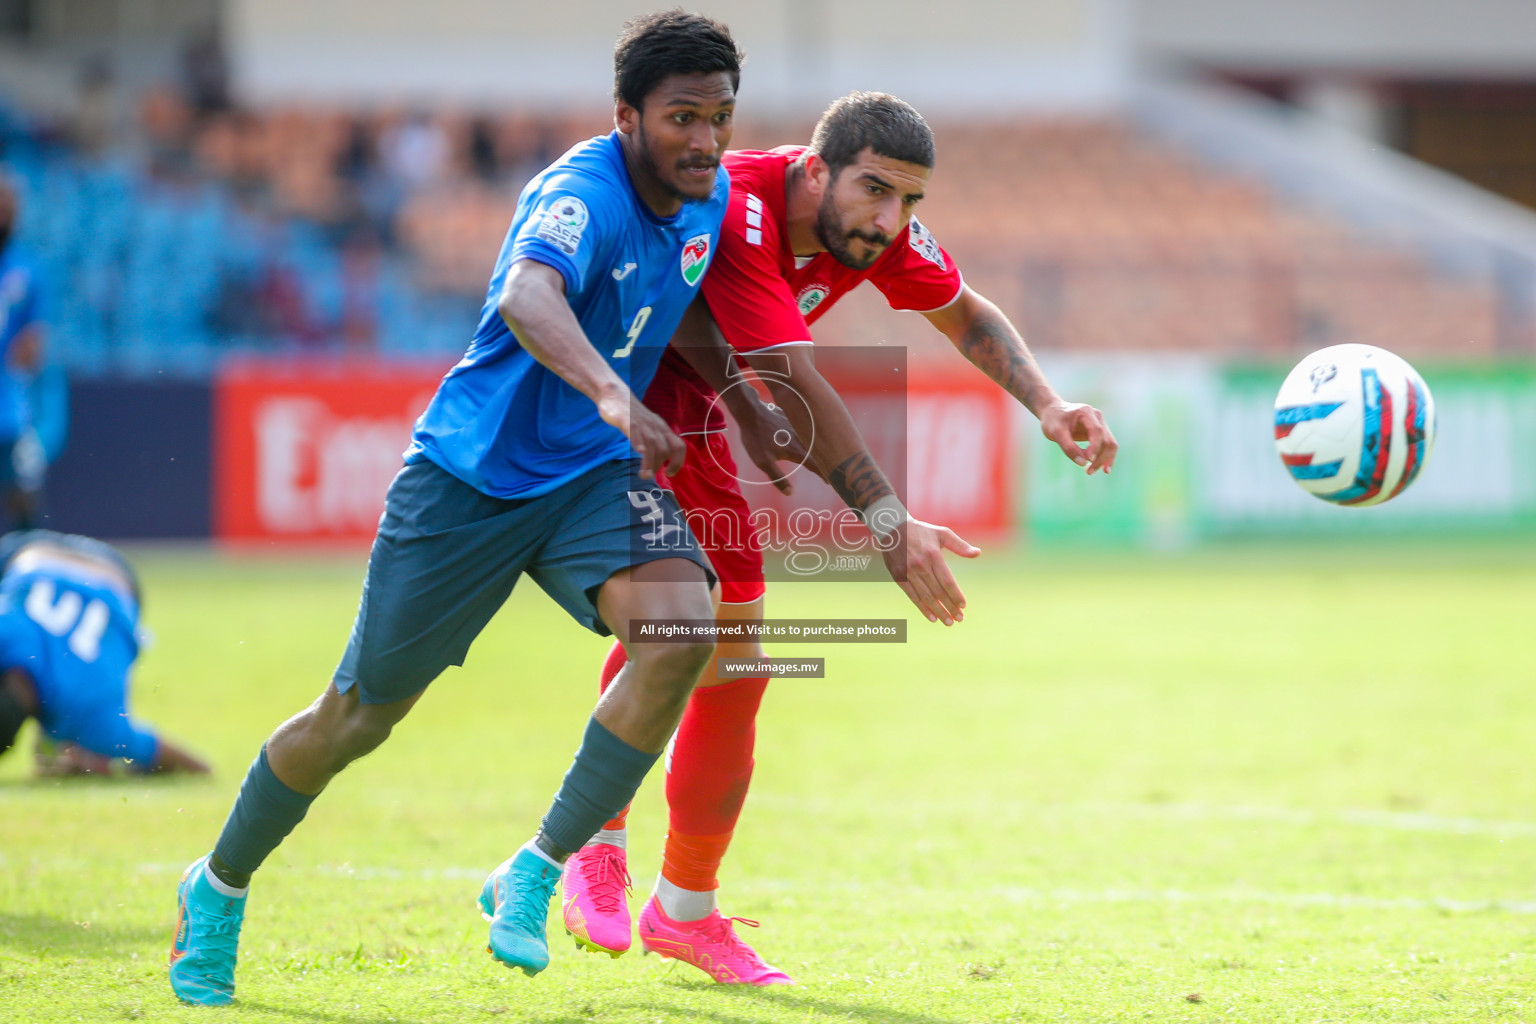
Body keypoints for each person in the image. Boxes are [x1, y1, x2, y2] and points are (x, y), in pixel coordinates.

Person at [167, 12, 745, 1006]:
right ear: (627, 117)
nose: (704, 138)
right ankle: (215, 886)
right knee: (356, 717)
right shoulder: (578, 193)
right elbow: (529, 293)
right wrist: (614, 393)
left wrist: (739, 389)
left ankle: (535, 868)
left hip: (588, 479)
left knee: (683, 628)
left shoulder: (708, 194)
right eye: (682, 116)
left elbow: (674, 298)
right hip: (468, 481)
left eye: (719, 117)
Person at [558, 92, 1118, 985]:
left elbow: (965, 312)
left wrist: (1049, 404)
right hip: (610, 409)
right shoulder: (739, 205)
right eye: (874, 191)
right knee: (671, 622)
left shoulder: (880, 233)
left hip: (696, 416)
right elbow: (799, 390)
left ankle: (684, 911)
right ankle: (597, 844)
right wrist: (890, 528)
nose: (890, 220)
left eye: (910, 203)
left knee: (736, 655)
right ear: (817, 169)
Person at [0, 530, 209, 776]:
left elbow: (197, 768)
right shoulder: (93, 722)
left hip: (114, 585)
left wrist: (104, 760)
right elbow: (201, 769)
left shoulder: (98, 724)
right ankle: (66, 742)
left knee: (67, 734)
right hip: (37, 555)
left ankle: (67, 744)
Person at [0, 174, 56, 529]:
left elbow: (34, 342)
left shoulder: (28, 268)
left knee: (22, 500)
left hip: (8, 407)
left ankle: (23, 575)